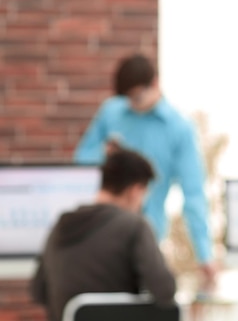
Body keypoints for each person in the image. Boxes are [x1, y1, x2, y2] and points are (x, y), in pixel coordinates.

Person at [73, 54, 217, 288]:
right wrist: (103, 154)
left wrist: (205, 255)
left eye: (137, 97)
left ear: (155, 84)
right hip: (102, 231)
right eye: (126, 98)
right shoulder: (112, 112)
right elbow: (81, 161)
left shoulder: (179, 129)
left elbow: (194, 195)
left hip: (147, 236)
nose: (131, 103)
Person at [31, 149, 176, 321]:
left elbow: (37, 292)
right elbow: (165, 291)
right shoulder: (134, 226)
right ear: (136, 190)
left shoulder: (60, 226)